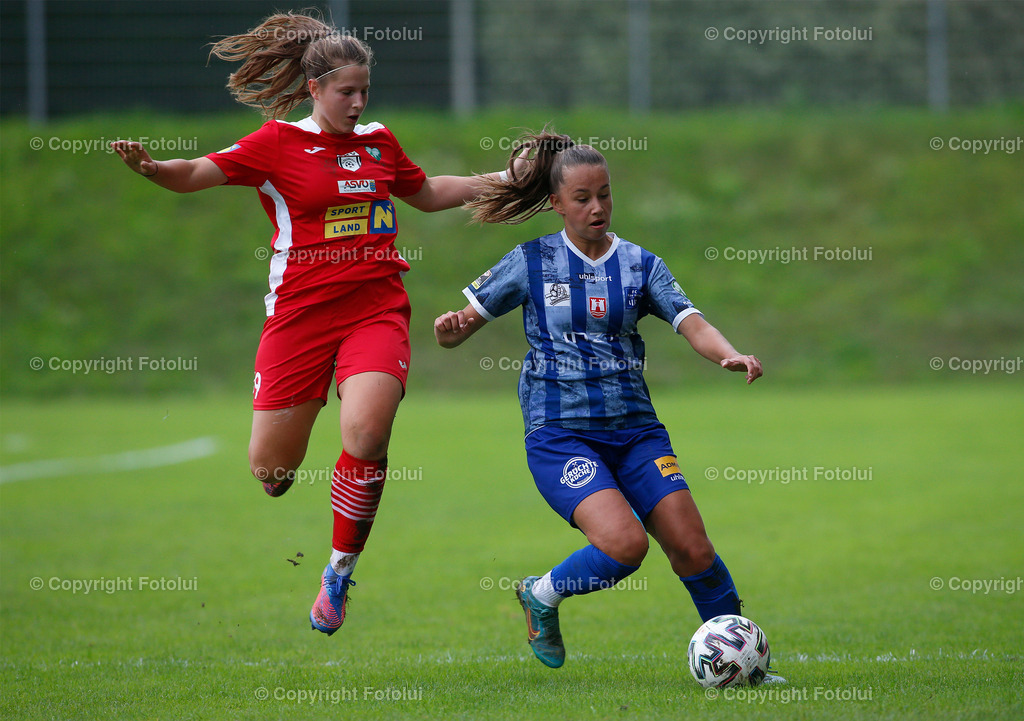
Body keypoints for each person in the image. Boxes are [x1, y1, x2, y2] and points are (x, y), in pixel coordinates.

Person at [111, 11, 518, 637]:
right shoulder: (276, 143)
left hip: (375, 308)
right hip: (299, 320)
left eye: (363, 92)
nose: (357, 104)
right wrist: (150, 169)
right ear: (314, 90)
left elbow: (430, 191)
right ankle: (296, 447)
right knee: (272, 472)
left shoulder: (380, 142)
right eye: (344, 92)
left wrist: (506, 179)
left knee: (367, 433)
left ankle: (338, 571)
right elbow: (197, 173)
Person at [434, 131, 774, 672]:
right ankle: (541, 595)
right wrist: (449, 329)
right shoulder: (531, 262)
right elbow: (456, 333)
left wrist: (728, 354)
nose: (597, 207)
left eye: (605, 194)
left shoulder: (641, 265)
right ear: (556, 203)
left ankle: (743, 660)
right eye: (582, 198)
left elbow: (692, 322)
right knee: (624, 545)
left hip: (636, 431)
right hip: (560, 434)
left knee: (694, 549)